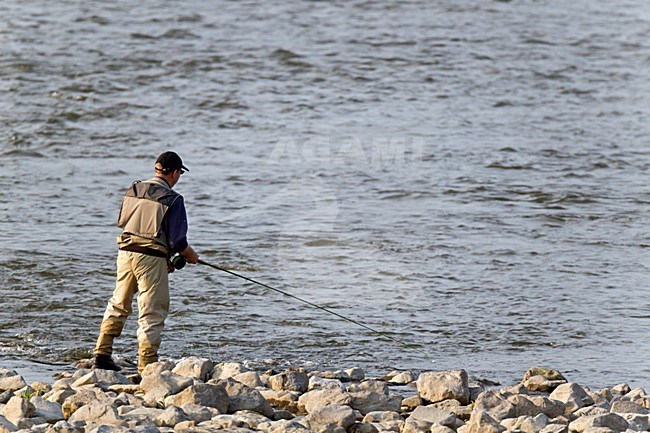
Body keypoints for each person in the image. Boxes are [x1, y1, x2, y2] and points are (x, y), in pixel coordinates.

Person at [94, 151, 199, 373]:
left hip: (125, 253)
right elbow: (178, 240)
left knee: (119, 302)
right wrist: (190, 254)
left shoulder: (133, 190)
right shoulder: (173, 199)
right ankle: (147, 364)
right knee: (152, 310)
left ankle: (102, 353)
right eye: (179, 173)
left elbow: (127, 223)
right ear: (174, 172)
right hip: (150, 258)